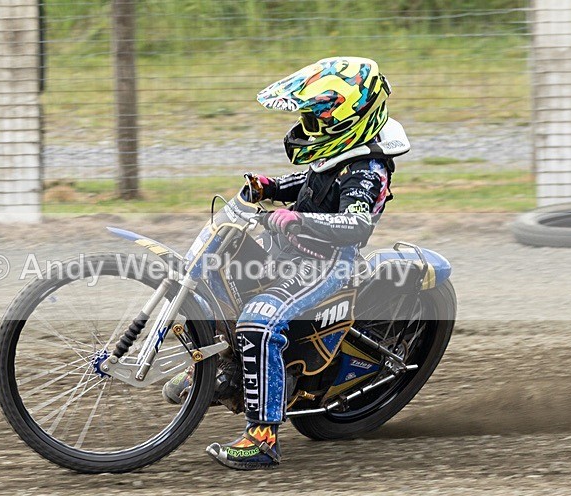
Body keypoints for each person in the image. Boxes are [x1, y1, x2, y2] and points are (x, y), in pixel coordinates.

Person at [165, 57, 410, 470]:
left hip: (327, 265)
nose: (306, 128)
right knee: (218, 261)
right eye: (306, 119)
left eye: (315, 120)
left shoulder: (368, 169)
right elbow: (315, 181)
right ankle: (211, 370)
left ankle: (263, 438)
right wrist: (272, 188)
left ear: (347, 119)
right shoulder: (341, 152)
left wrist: (298, 218)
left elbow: (356, 222)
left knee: (258, 322)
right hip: (290, 252)